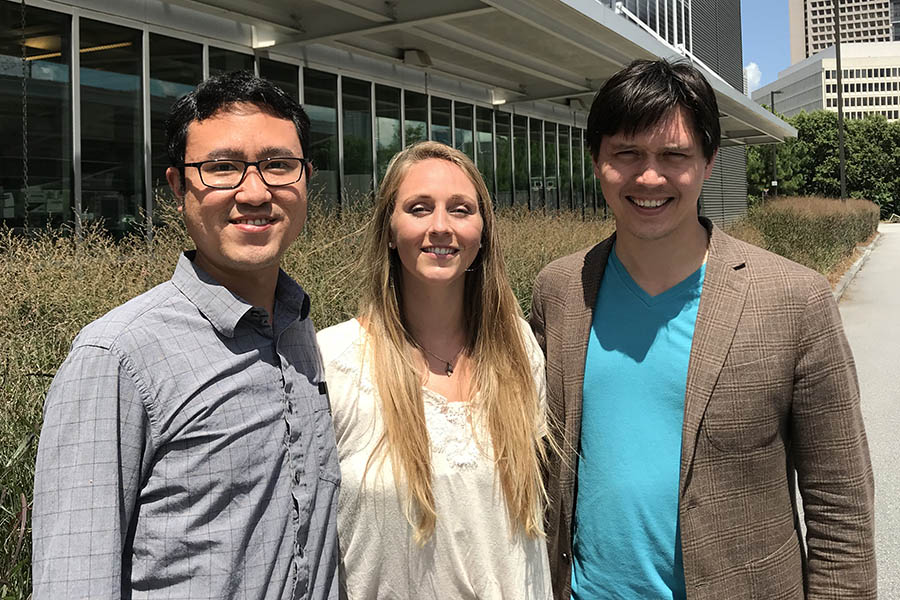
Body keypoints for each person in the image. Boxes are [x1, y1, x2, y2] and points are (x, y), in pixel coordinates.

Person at [531, 59, 876, 599]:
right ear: (597, 160)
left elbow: (842, 508)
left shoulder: (793, 300)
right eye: (627, 153)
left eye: (674, 156)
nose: (649, 177)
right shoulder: (560, 292)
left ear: (709, 162)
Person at [32, 70, 339, 599]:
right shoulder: (119, 357)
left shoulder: (301, 331)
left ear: (306, 178)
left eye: (279, 165)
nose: (255, 191)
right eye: (222, 168)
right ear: (178, 186)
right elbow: (74, 580)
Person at [316, 141, 552, 599]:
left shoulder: (517, 347)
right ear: (388, 228)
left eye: (461, 210)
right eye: (419, 208)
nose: (441, 227)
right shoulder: (333, 362)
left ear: (482, 234)